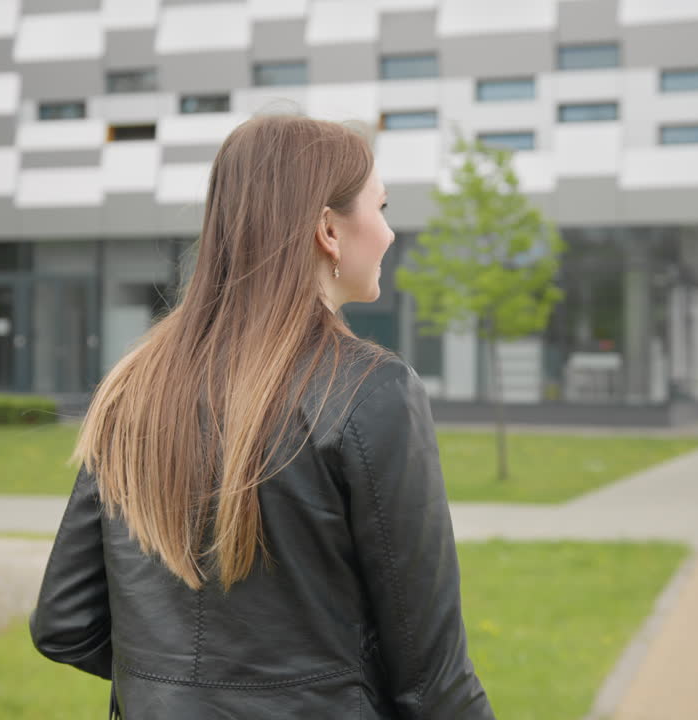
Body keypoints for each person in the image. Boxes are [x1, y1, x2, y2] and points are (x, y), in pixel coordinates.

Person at [30, 114, 494, 719]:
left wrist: (174, 688)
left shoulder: (132, 389)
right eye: (380, 208)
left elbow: (65, 624)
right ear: (328, 228)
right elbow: (433, 681)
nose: (387, 234)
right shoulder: (371, 392)